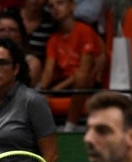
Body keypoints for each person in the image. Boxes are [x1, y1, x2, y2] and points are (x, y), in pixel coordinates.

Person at [39, 0, 105, 133]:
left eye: (60, 3)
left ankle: (70, 126)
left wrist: (56, 90)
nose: (56, 8)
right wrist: (43, 91)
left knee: (81, 76)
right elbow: (48, 71)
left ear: (72, 6)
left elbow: (85, 70)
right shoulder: (53, 39)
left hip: (85, 84)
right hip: (63, 84)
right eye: (51, 6)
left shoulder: (85, 31)